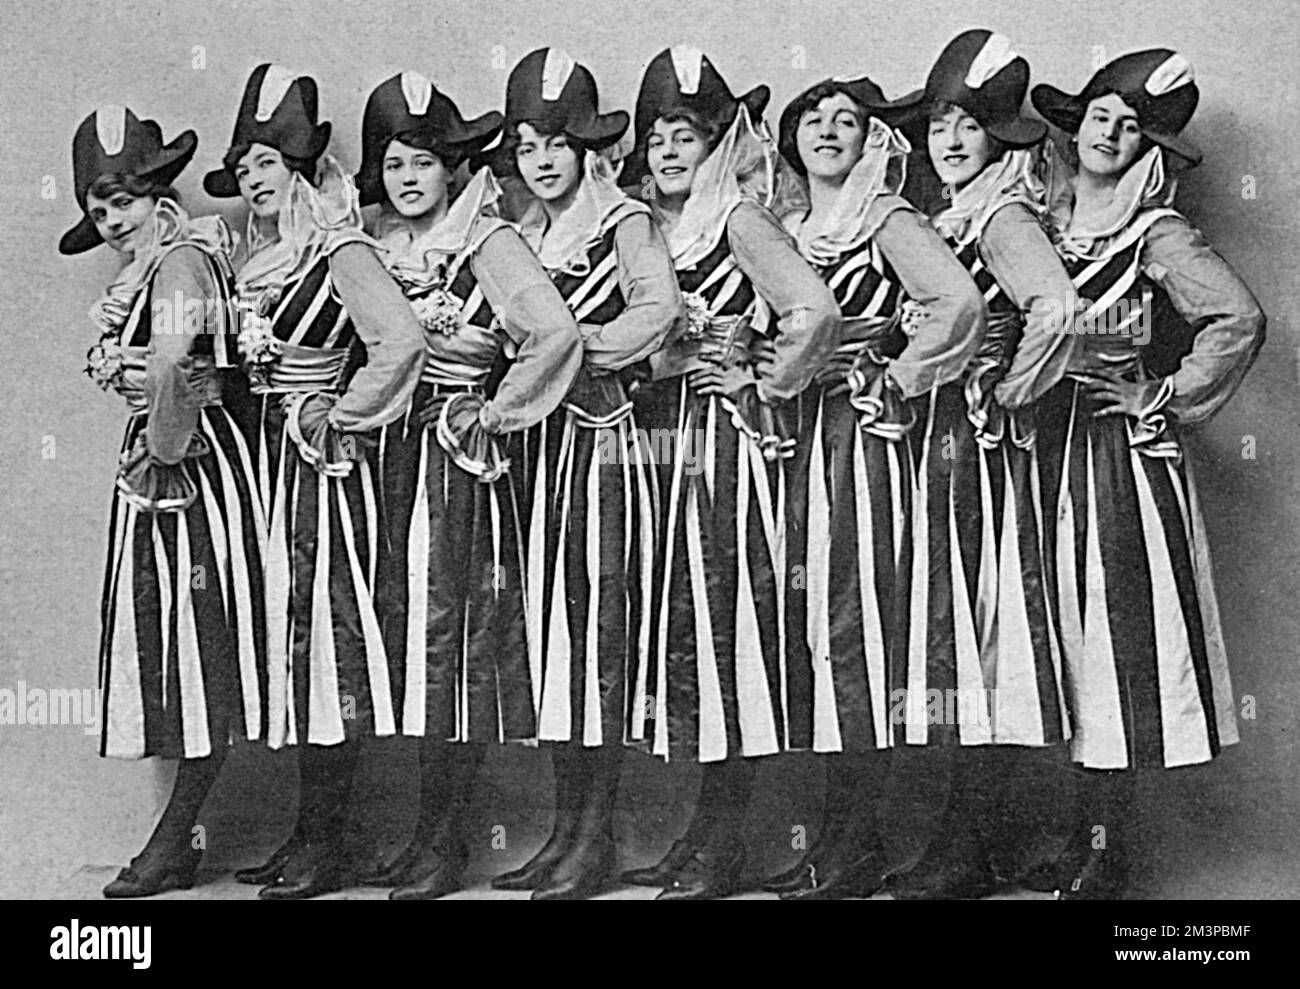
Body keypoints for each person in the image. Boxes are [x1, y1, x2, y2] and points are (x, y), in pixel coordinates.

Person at [1027, 48, 1264, 898]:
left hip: (1112, 467)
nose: (1111, 134)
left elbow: (1236, 318)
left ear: (1146, 149)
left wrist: (1161, 392)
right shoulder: (1034, 222)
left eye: (1131, 128)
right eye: (1102, 116)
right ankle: (1063, 835)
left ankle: (1110, 853)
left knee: (1112, 651)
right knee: (1044, 648)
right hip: (1035, 455)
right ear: (1076, 121)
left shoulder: (1153, 232)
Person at [351, 70, 583, 900]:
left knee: (453, 645)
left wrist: (494, 412)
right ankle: (420, 834)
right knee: (409, 641)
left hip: (457, 464)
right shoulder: (372, 245)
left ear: (452, 168)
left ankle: (448, 842)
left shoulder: (487, 242)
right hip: (390, 463)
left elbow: (553, 334)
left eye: (422, 163)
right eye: (392, 164)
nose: (408, 179)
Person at [616, 45, 841, 900]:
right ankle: (701, 830)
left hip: (722, 437)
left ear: (719, 145)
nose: (670, 153)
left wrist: (761, 377)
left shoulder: (741, 220)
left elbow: (811, 310)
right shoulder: (644, 226)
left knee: (725, 628)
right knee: (677, 629)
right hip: (656, 440)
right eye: (658, 138)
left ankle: (726, 845)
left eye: (687, 137)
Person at [204, 64, 426, 899]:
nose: (256, 180)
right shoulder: (247, 257)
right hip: (263, 467)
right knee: (286, 652)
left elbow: (398, 342)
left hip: (320, 474)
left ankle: (333, 840)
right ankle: (307, 829)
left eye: (268, 162)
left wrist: (342, 413)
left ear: (299, 167)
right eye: (246, 166)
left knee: (326, 647)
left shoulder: (339, 247)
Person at [870, 29, 1079, 900]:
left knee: (976, 636)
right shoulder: (951, 215)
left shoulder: (1000, 216)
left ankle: (971, 845)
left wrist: (1010, 391)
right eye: (940, 126)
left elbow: (1056, 310)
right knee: (956, 637)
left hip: (980, 446)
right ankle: (971, 840)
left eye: (969, 127)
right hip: (941, 438)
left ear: (1002, 138)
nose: (950, 141)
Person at [771, 64, 986, 899]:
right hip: (804, 440)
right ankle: (843, 837)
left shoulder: (885, 216)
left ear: (873, 141)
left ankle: (876, 844)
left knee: (872, 630)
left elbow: (957, 307)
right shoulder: (790, 223)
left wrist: (892, 377)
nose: (828, 130)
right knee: (826, 631)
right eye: (814, 118)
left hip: (866, 442)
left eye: (849, 121)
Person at [485, 48, 682, 900]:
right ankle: (563, 830)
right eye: (528, 145)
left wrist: (564, 358)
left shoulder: (623, 221)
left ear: (587, 149)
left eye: (557, 144)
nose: (542, 160)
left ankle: (597, 837)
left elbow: (658, 312)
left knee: (601, 630)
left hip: (606, 445)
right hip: (542, 452)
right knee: (556, 638)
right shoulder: (522, 235)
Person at [60, 105, 266, 897]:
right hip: (172, 464)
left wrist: (159, 453)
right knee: (178, 649)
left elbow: (177, 365)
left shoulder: (180, 263)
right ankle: (178, 837)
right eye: (100, 206)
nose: (114, 218)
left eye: (126, 199)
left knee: (196, 647)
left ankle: (176, 838)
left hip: (184, 474)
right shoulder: (149, 268)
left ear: (157, 195)